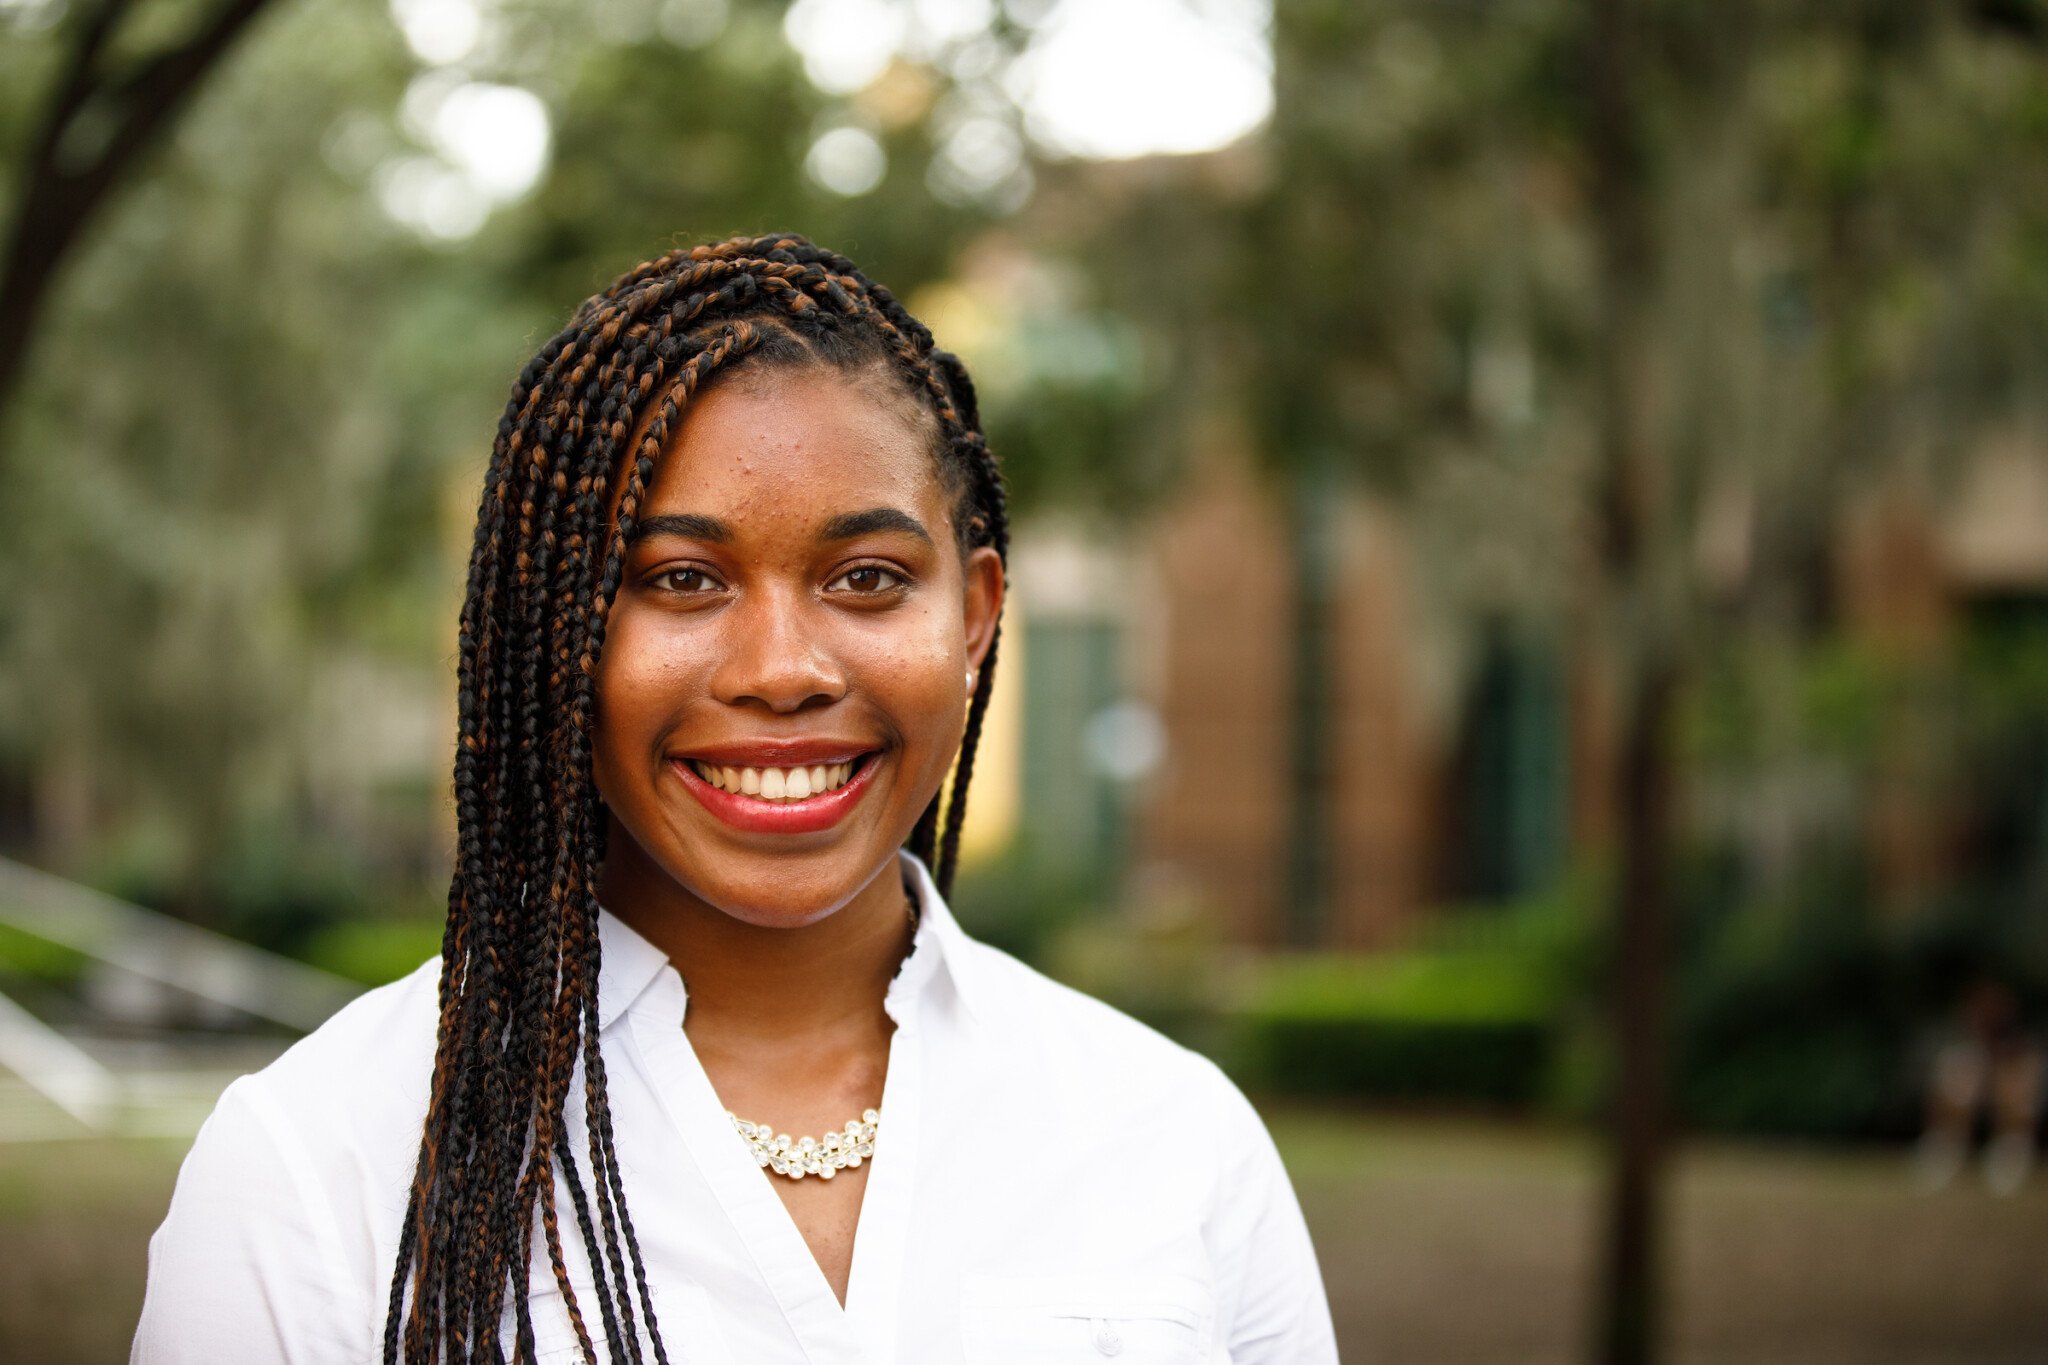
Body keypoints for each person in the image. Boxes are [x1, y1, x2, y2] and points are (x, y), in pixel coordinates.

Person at [131, 234, 1339, 1363]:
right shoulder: (323, 1158)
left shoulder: (1169, 1139)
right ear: (556, 629)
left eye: (866, 578)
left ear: (973, 615)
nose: (781, 670)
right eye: (680, 579)